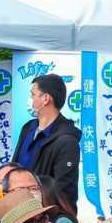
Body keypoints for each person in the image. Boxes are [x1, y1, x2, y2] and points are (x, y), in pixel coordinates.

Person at [12, 73, 80, 206]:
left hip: (43, 215)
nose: (30, 99)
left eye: (33, 95)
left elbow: (65, 191)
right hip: (17, 209)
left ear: (46, 99)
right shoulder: (28, 128)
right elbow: (14, 167)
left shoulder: (67, 141)